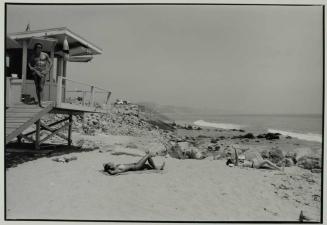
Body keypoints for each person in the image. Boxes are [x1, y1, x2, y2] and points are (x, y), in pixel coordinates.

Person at [28, 43, 52, 107]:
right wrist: (32, 69)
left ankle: (41, 102)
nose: (39, 48)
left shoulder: (45, 55)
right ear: (35, 48)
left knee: (41, 87)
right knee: (37, 87)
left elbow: (50, 62)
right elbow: (29, 64)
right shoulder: (33, 56)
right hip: (36, 72)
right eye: (38, 47)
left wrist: (48, 70)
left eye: (40, 47)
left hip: (43, 72)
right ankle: (39, 101)